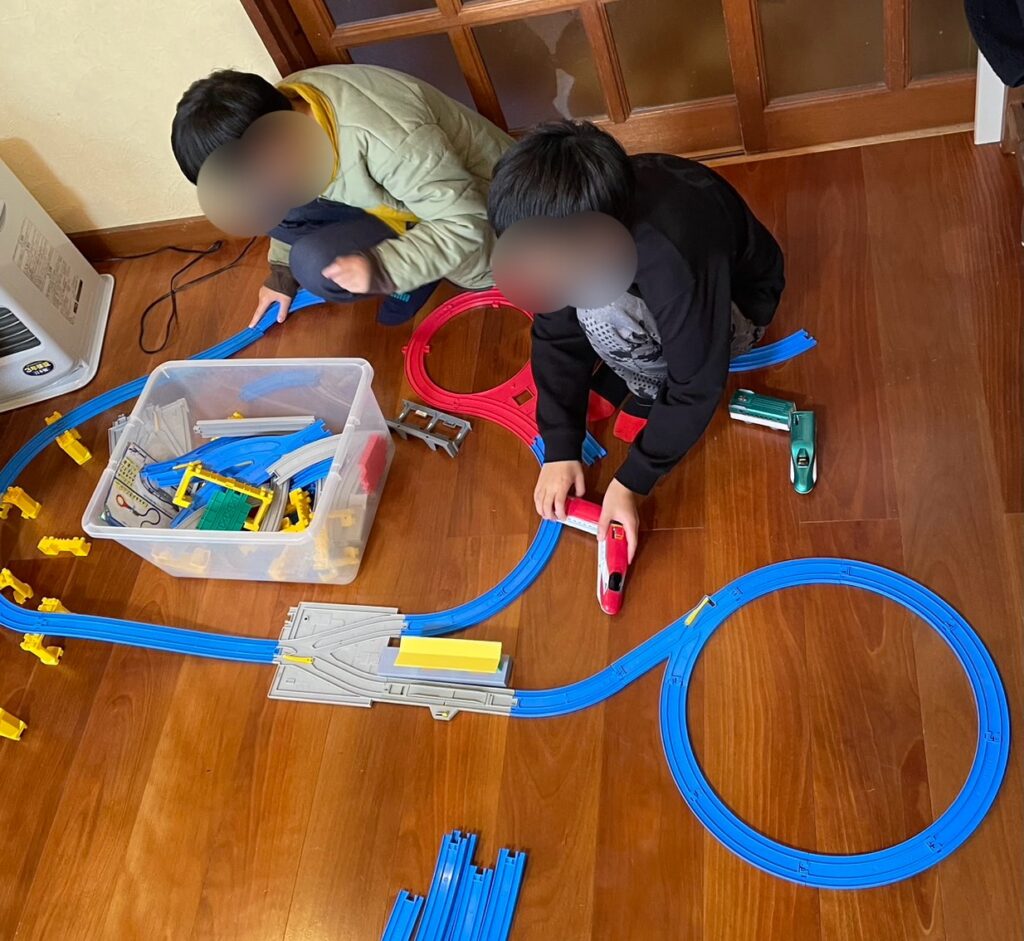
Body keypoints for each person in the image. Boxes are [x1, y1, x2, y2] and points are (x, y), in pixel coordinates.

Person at [487, 120, 785, 558]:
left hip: (738, 310)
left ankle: (645, 385)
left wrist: (631, 482)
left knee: (602, 311)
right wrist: (560, 443)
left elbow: (697, 383)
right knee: (580, 301)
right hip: (661, 293)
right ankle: (628, 364)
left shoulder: (670, 259)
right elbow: (553, 331)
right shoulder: (594, 200)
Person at [171, 66, 512, 326]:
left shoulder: (387, 137)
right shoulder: (283, 109)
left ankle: (417, 267)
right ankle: (414, 263)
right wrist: (281, 273)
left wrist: (386, 267)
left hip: (480, 213)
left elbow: (465, 220)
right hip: (392, 203)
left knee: (314, 264)